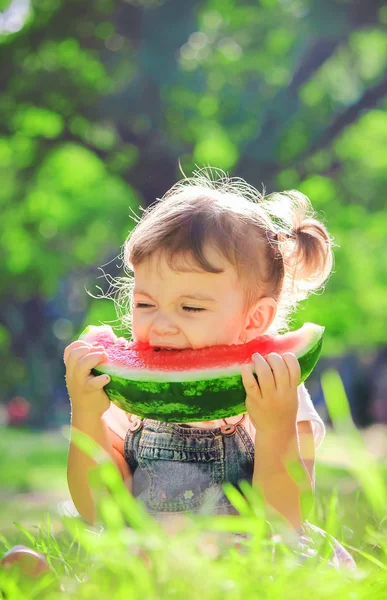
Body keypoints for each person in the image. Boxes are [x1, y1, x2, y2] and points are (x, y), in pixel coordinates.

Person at [63, 168, 356, 569]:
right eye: (145, 304)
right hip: (147, 559)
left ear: (254, 319)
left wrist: (275, 427)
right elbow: (99, 509)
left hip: (242, 564)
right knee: (101, 562)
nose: (161, 324)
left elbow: (284, 518)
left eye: (191, 308)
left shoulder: (276, 390)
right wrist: (86, 416)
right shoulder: (126, 394)